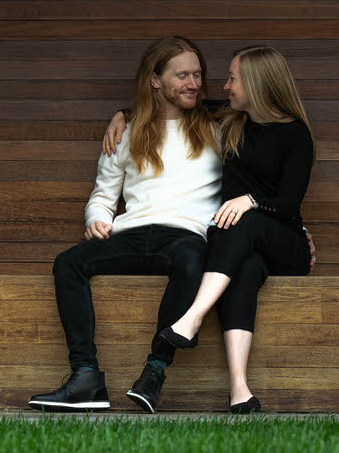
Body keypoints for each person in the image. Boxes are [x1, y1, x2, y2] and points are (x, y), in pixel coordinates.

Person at [104, 46, 315, 414]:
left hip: (285, 244)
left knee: (237, 220)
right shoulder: (230, 118)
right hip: (239, 247)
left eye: (232, 78)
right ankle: (240, 390)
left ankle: (192, 317)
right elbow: (165, 105)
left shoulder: (296, 135)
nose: (224, 85)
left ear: (257, 84)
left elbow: (289, 204)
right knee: (243, 267)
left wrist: (251, 201)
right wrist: (122, 115)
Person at [27, 36, 221, 413]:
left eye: (197, 75)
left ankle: (155, 371)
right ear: (155, 80)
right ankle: (85, 376)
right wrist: (97, 220)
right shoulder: (128, 131)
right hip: (131, 234)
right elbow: (103, 195)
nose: (193, 83)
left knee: (194, 260)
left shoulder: (218, 128)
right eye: (182, 75)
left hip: (185, 237)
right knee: (68, 262)